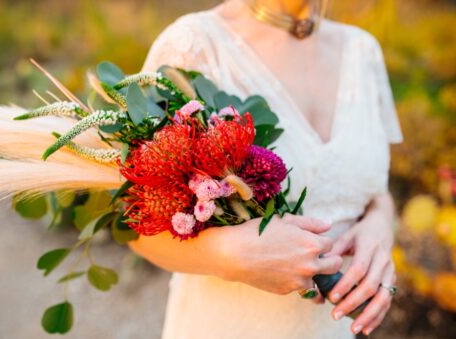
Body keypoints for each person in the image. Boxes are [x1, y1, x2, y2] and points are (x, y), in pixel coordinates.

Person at [130, 0, 402, 337]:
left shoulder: (363, 51)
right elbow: (133, 223)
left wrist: (380, 226)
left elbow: (376, 191)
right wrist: (228, 253)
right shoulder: (193, 45)